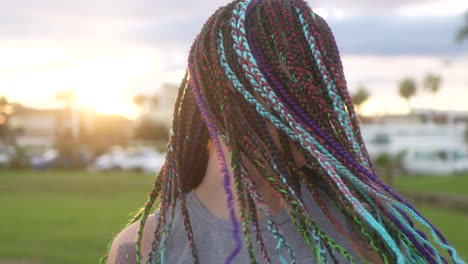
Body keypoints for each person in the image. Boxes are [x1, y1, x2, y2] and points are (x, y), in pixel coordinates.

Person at [102, 0, 464, 263]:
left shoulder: (359, 228)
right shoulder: (145, 247)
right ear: (234, 99)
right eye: (299, 90)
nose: (325, 110)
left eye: (326, 86)